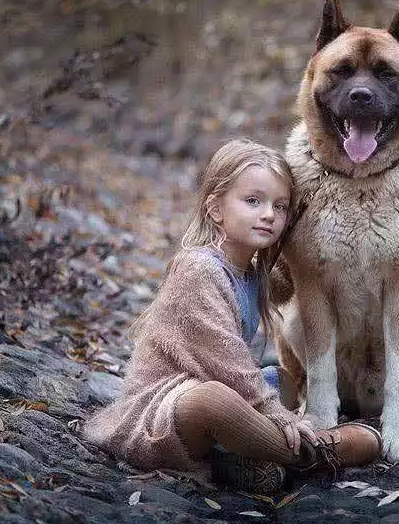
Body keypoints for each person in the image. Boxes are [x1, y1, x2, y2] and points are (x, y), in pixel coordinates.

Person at [83, 139, 381, 494]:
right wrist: (279, 415)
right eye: (253, 201)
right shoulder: (198, 269)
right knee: (215, 399)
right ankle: (319, 451)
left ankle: (240, 458)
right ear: (215, 209)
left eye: (280, 206)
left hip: (219, 394)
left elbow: (293, 276)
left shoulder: (253, 273)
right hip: (164, 407)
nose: (269, 214)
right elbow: (226, 358)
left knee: (281, 380)